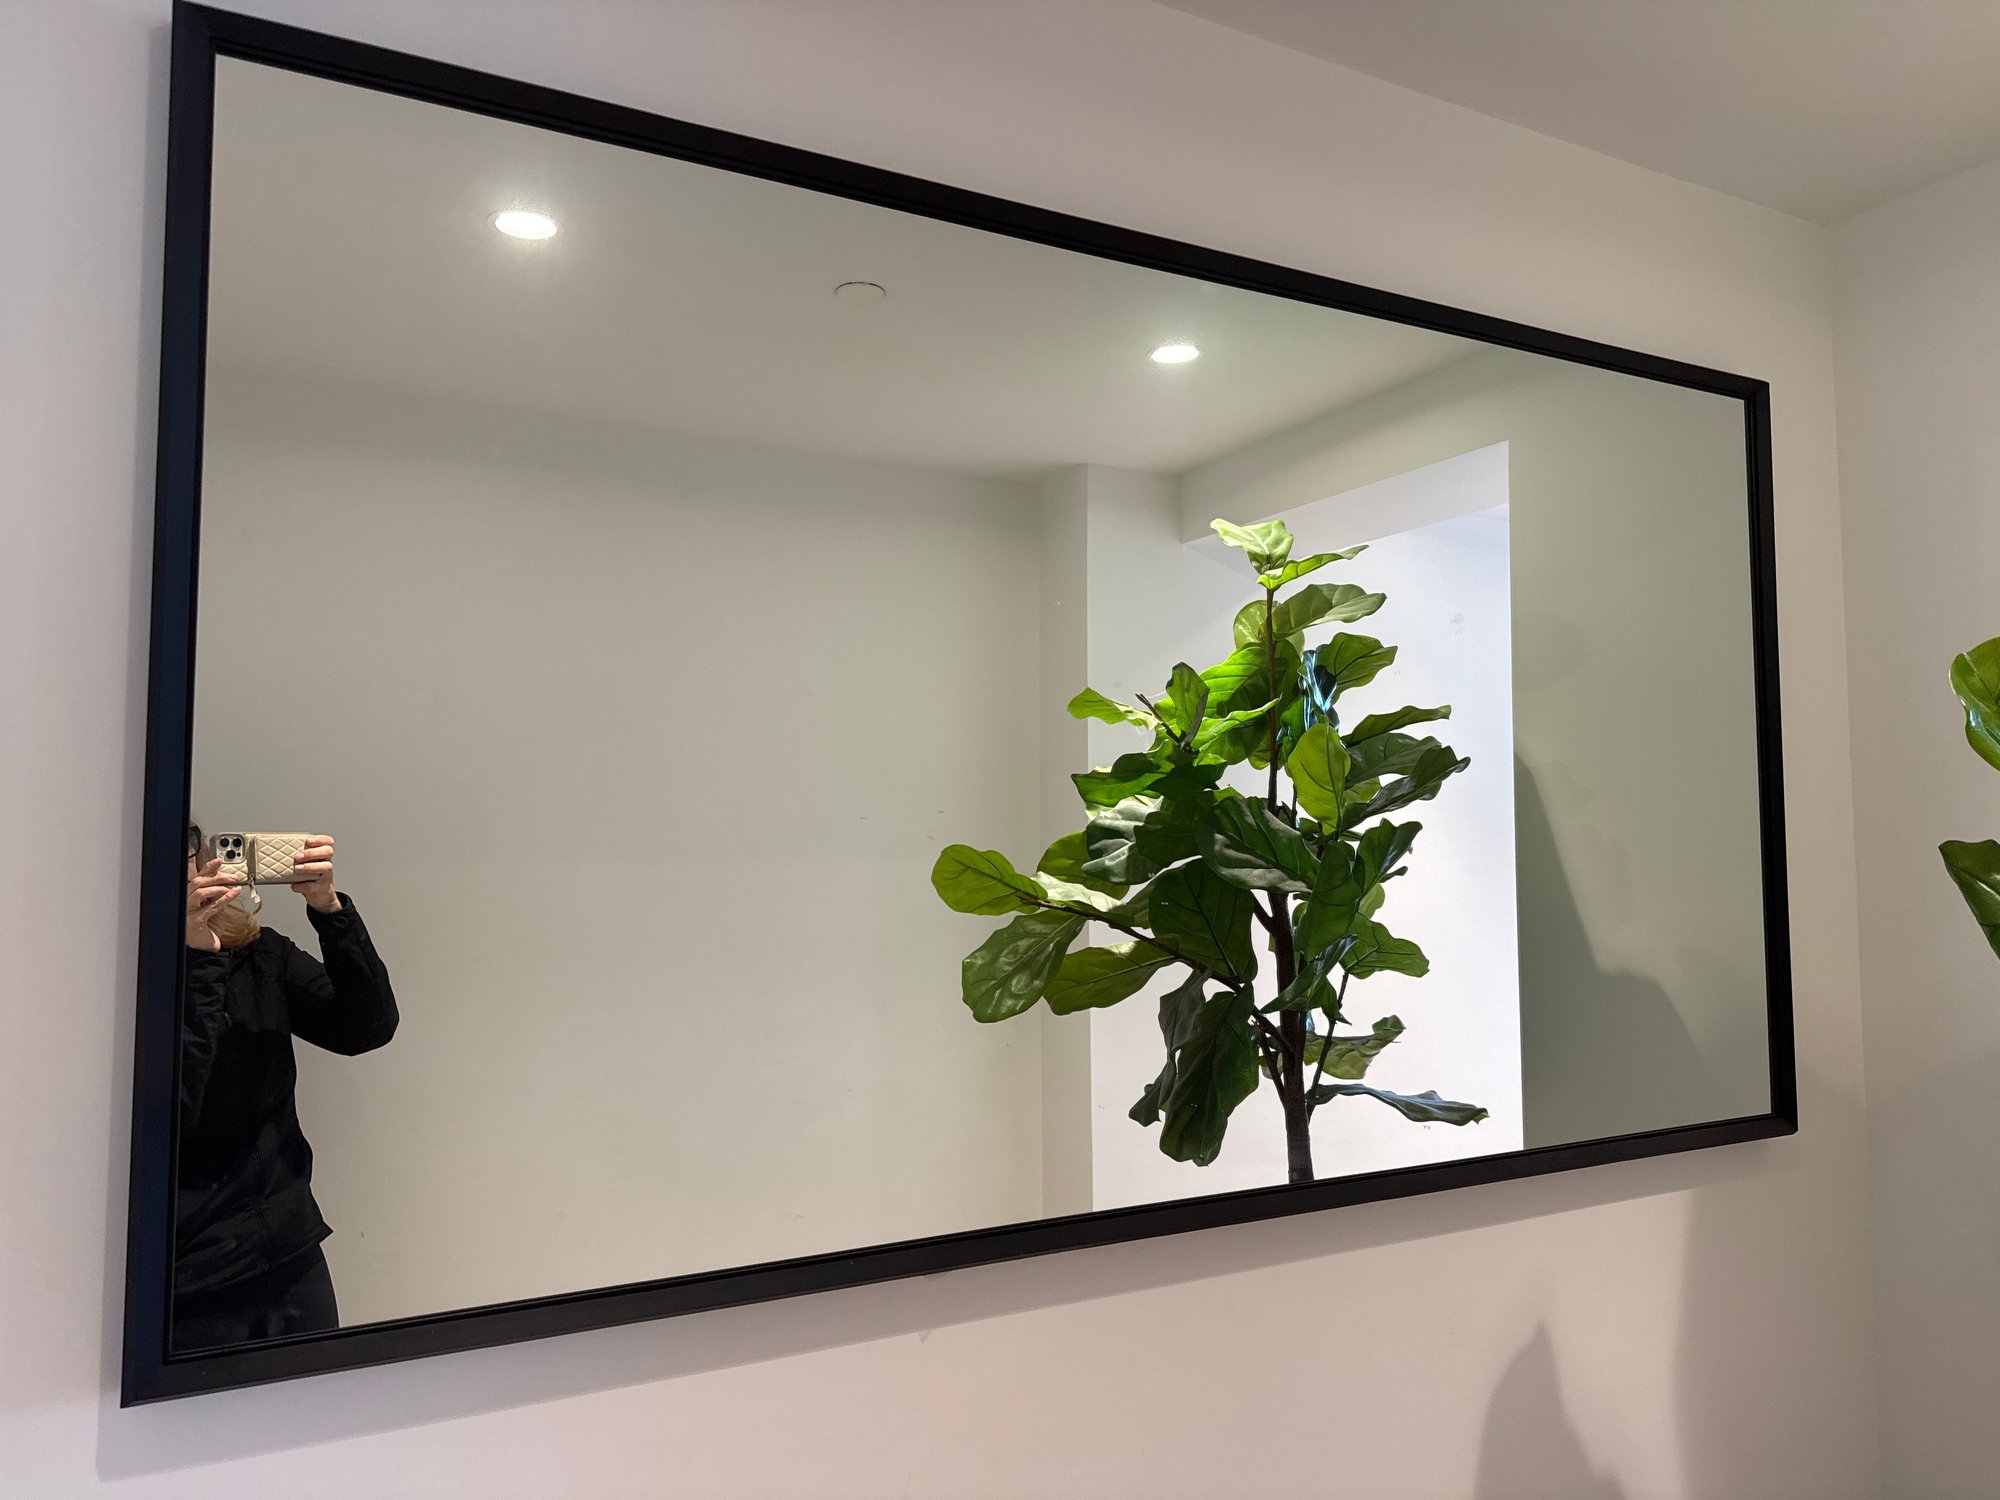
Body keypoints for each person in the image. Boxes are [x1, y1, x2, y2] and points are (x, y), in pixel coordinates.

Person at [174, 823, 398, 1350]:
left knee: (323, 1400)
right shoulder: (119, 975)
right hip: (189, 1276)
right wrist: (197, 961)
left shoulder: (257, 951)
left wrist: (330, 911)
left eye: (189, 843)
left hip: (288, 1250)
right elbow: (171, 1112)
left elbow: (366, 1029)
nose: (183, 861)